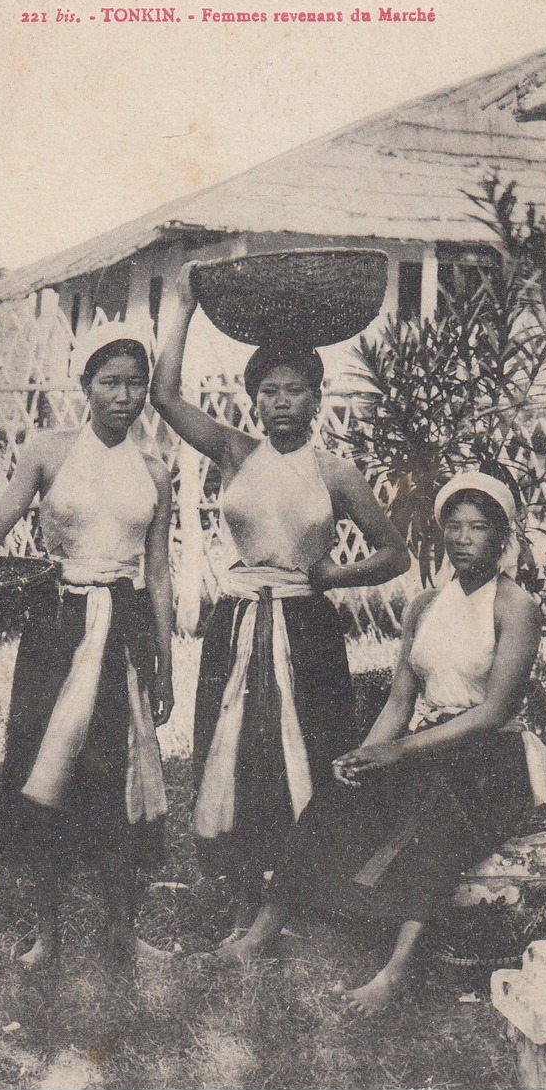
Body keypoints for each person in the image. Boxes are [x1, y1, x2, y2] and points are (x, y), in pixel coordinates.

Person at [211, 471, 546, 1015]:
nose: (463, 538)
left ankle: (393, 974)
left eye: (479, 528)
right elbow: (399, 702)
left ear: (502, 536)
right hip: (428, 743)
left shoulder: (515, 607)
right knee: (338, 787)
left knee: (437, 816)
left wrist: (398, 752)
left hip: (492, 757)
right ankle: (259, 934)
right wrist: (362, 755)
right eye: (454, 526)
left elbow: (494, 712)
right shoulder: (424, 605)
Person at [0, 327, 174, 971]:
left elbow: (159, 576)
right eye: (111, 382)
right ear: (85, 386)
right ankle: (48, 934)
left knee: (120, 781)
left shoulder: (156, 468)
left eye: (136, 383)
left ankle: (122, 935)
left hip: (125, 630)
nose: (124, 396)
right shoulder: (48, 451)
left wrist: (165, 665)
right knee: (46, 772)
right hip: (58, 624)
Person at [151, 261, 410, 941]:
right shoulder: (234, 452)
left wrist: (333, 576)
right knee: (233, 755)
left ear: (316, 399)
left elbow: (395, 553)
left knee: (307, 754)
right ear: (253, 399)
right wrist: (179, 306)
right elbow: (166, 395)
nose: (282, 402)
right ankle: (244, 900)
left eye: (296, 390)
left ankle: (290, 904)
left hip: (305, 625)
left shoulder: (335, 472)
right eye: (269, 391)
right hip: (235, 622)